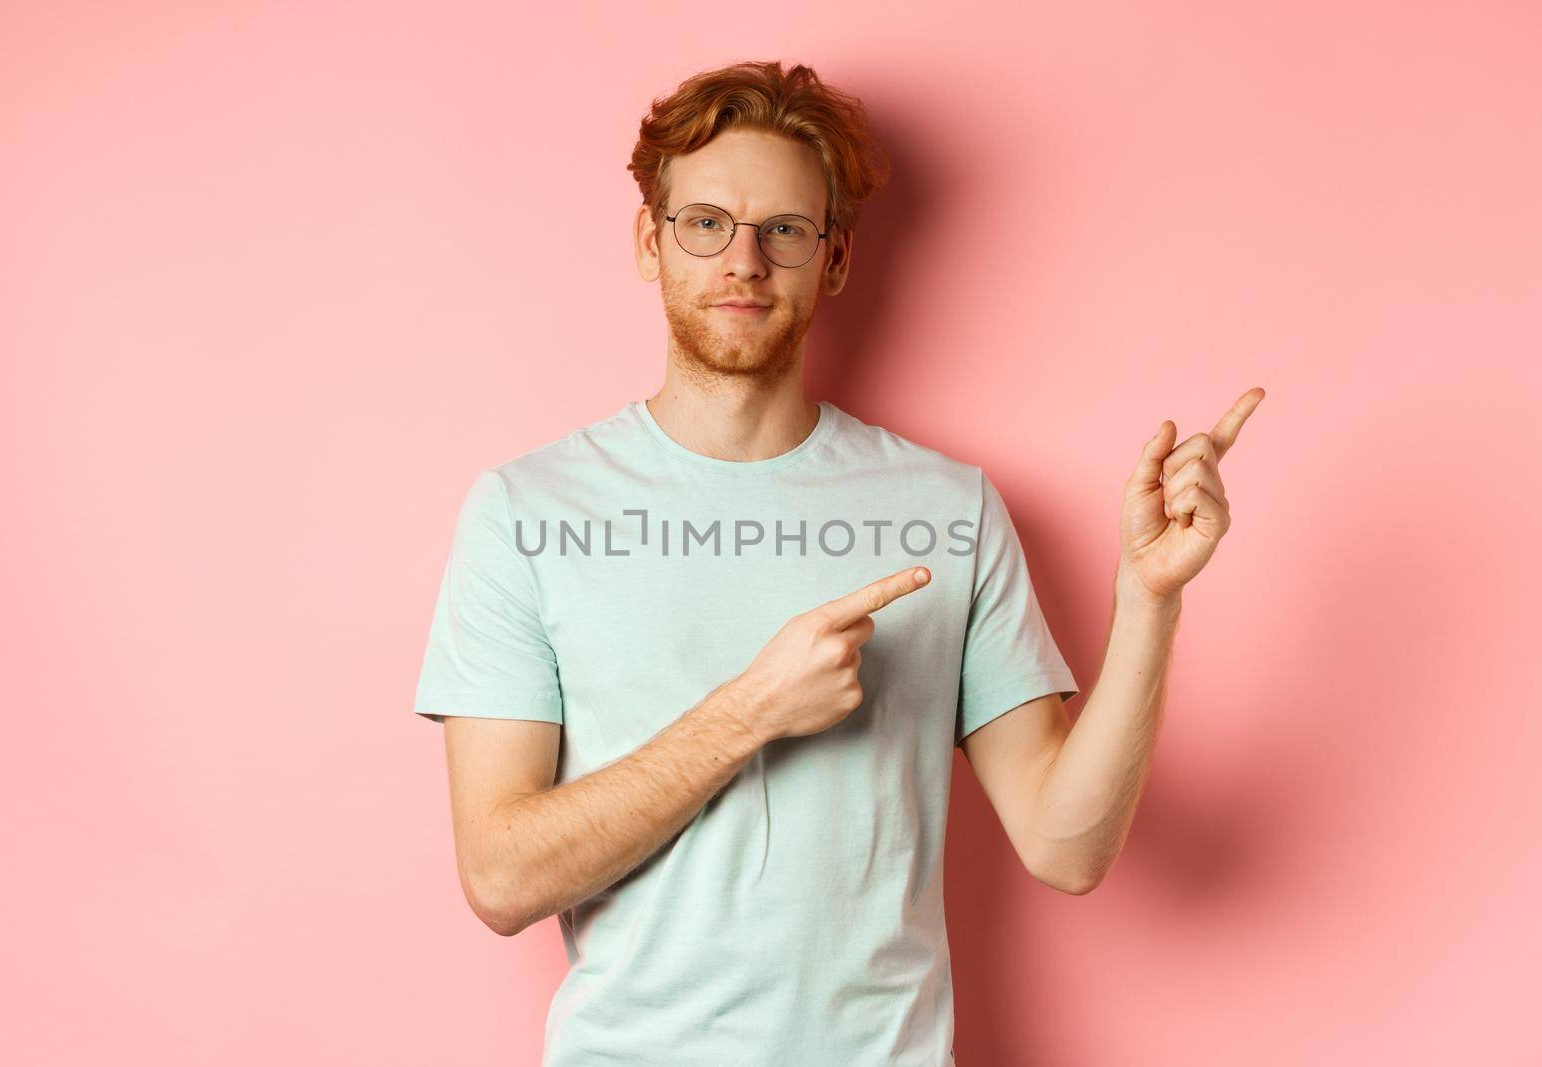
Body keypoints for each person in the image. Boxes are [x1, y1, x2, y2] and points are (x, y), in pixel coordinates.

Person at [412, 59, 1263, 1066]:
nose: (743, 260)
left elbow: (1065, 845)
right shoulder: (527, 511)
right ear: (652, 240)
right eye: (705, 223)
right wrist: (751, 709)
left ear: (835, 259)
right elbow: (502, 877)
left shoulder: (946, 508)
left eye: (784, 229)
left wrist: (1148, 599)